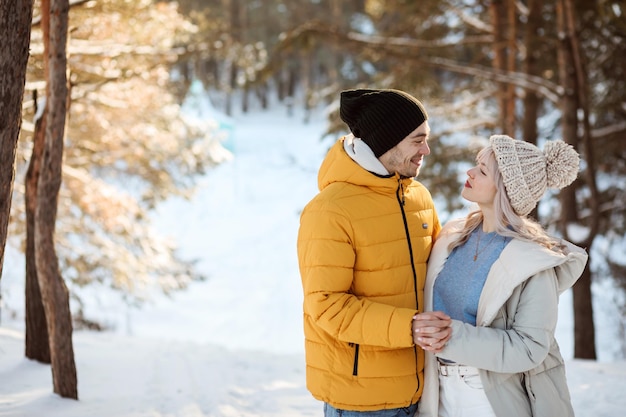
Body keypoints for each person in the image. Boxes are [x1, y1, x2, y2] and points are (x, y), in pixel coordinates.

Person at [297, 88, 452, 417]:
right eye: (417, 140)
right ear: (388, 141)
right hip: (362, 402)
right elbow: (327, 305)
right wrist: (408, 327)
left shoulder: (417, 197)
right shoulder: (331, 210)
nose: (426, 149)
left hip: (421, 391)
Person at [415, 134, 588, 417]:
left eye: (482, 171)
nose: (470, 172)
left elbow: (529, 347)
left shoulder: (532, 261)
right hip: (437, 393)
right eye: (476, 164)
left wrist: (452, 336)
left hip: (488, 398)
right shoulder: (452, 238)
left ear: (507, 188)